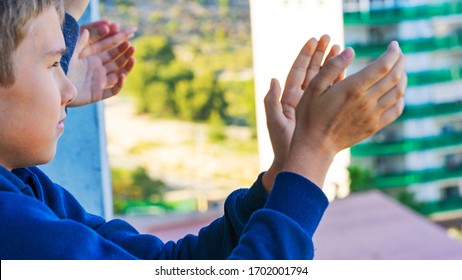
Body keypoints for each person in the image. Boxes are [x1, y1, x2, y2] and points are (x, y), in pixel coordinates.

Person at [0, 0, 406, 259]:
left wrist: (283, 175)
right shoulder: (14, 226)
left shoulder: (24, 187)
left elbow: (168, 267)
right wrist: (314, 153)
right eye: (55, 63)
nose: (69, 90)